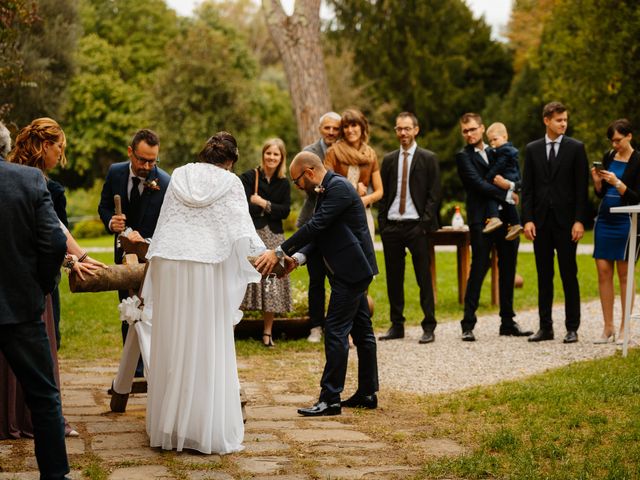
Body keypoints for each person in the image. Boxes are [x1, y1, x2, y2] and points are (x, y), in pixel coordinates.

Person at [142, 132, 265, 454]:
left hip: (169, 261)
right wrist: (263, 256)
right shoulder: (232, 182)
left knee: (173, 340)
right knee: (205, 341)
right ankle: (204, 427)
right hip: (204, 267)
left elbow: (166, 221)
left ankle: (170, 426)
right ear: (232, 160)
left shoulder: (180, 174)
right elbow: (242, 232)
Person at [255, 151, 379, 416]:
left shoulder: (339, 189)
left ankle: (330, 399)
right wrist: (297, 259)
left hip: (352, 270)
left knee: (334, 330)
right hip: (352, 268)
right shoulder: (328, 189)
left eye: (297, 181)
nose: (298, 187)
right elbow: (322, 232)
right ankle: (368, 393)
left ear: (309, 173)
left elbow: (315, 226)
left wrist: (278, 251)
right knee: (362, 331)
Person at [4, 118, 104, 441]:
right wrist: (73, 260)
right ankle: (38, 421)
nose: (61, 155)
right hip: (30, 280)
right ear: (45, 146)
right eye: (59, 148)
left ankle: (12, 415)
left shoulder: (21, 175)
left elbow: (59, 229)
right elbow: (54, 234)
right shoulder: (33, 182)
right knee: (38, 350)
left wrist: (82, 257)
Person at [0, 145, 70, 479]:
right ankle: (55, 476)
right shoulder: (28, 180)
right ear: (5, 147)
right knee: (43, 397)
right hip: (21, 308)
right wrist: (41, 285)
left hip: (21, 304)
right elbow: (54, 243)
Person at [98, 129, 170, 376]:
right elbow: (105, 206)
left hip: (153, 258)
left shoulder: (166, 182)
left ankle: (154, 367)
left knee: (152, 314)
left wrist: (146, 241)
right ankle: (133, 370)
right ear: (130, 152)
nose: (147, 166)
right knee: (128, 311)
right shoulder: (115, 172)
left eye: (153, 160)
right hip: (123, 258)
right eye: (142, 159)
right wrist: (111, 223)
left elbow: (169, 224)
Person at [456, 113, 533, 342]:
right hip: (483, 220)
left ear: (482, 128)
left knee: (508, 269)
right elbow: (478, 185)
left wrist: (513, 188)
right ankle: (468, 324)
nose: (469, 134)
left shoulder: (498, 150)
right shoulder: (463, 157)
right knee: (479, 268)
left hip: (508, 221)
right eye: (465, 131)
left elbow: (518, 178)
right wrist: (508, 193)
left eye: (472, 129)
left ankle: (507, 322)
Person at [522, 102, 590, 343]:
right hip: (540, 223)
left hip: (566, 223)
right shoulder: (532, 149)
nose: (564, 123)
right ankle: (545, 327)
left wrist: (579, 221)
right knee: (544, 276)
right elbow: (527, 189)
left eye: (565, 120)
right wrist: (527, 219)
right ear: (546, 120)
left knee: (568, 274)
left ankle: (572, 327)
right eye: (559, 120)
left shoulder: (576, 148)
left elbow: (582, 189)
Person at [377, 112, 441, 344]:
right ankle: (397, 325)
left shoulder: (428, 158)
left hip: (417, 227)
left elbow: (434, 195)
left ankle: (429, 325)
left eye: (407, 128)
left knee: (423, 277)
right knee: (394, 278)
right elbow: (383, 194)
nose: (403, 133)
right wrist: (382, 224)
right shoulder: (389, 160)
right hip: (392, 227)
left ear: (416, 130)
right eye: (399, 129)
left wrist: (424, 223)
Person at [239, 138, 292, 347]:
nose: (272, 157)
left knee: (271, 282)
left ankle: (267, 332)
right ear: (263, 155)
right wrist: (268, 208)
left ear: (281, 158)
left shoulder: (283, 182)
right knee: (245, 278)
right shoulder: (249, 177)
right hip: (254, 234)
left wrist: (263, 203)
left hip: (275, 237)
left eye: (276, 154)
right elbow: (242, 206)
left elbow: (285, 211)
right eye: (269, 153)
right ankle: (232, 326)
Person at [591, 119, 640, 344]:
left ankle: (624, 328)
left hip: (627, 222)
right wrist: (598, 183)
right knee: (603, 271)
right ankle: (608, 327)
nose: (615, 144)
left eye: (618, 140)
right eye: (612, 140)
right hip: (605, 219)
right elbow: (601, 195)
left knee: (624, 275)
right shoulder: (609, 156)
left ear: (629, 136)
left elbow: (636, 197)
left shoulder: (638, 160)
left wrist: (618, 183)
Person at [300, 112, 342, 344]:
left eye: (335, 128)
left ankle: (335, 325)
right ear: (320, 129)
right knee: (315, 278)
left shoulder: (345, 151)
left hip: (336, 222)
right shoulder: (309, 151)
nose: (331, 132)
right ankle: (315, 326)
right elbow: (301, 180)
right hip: (313, 217)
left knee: (337, 277)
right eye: (327, 128)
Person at [324, 108, 383, 243]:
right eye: (346, 126)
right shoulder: (333, 152)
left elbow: (379, 191)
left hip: (362, 213)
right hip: (338, 214)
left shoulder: (370, 155)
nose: (350, 130)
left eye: (354, 125)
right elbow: (327, 185)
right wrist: (353, 188)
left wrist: (364, 200)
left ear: (362, 127)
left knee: (366, 259)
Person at [482, 122, 524, 241]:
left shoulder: (506, 150)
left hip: (507, 177)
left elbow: (499, 166)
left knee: (490, 193)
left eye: (495, 139)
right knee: (508, 200)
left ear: (505, 137)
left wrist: (488, 177)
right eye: (490, 141)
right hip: (510, 177)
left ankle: (494, 217)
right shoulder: (503, 150)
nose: (493, 143)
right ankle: (516, 224)